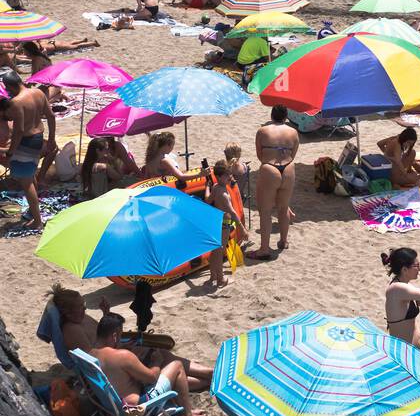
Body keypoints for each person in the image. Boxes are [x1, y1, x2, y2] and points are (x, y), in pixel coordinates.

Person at [52, 287, 212, 390]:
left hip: (115, 352)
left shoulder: (80, 319)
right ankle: (208, 377)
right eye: (81, 307)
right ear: (67, 312)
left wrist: (106, 314)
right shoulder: (71, 330)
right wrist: (122, 351)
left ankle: (207, 377)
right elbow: (95, 360)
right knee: (162, 357)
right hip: (115, 370)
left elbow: (102, 334)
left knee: (162, 354)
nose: (84, 309)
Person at [91, 313, 207, 416]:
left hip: (112, 410)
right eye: (120, 336)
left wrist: (121, 349)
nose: (121, 340)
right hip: (138, 411)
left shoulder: (90, 354)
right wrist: (156, 362)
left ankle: (188, 408)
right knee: (177, 366)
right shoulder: (123, 356)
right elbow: (152, 378)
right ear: (115, 336)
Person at [0, 71, 56, 229]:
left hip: (25, 141)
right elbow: (51, 116)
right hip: (39, 138)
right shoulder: (38, 92)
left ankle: (38, 221)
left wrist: (11, 151)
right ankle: (33, 212)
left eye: (8, 89)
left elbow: (19, 131)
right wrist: (51, 139)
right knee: (30, 176)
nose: (8, 92)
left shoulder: (16, 102)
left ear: (11, 85)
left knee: (26, 183)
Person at [252, 106, 298, 258]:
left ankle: (264, 249)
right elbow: (294, 153)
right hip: (289, 168)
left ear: (272, 115)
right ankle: (283, 241)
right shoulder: (293, 132)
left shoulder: (262, 131)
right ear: (286, 117)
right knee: (283, 208)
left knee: (265, 211)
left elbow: (259, 154)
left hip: (269, 168)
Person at [206, 160, 246, 289]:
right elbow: (233, 213)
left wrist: (207, 187)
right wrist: (242, 229)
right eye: (226, 175)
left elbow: (208, 200)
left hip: (215, 222)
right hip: (224, 223)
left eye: (230, 174)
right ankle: (221, 279)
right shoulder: (223, 194)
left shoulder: (216, 187)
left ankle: (213, 276)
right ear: (218, 177)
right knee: (220, 252)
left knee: (214, 251)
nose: (229, 177)